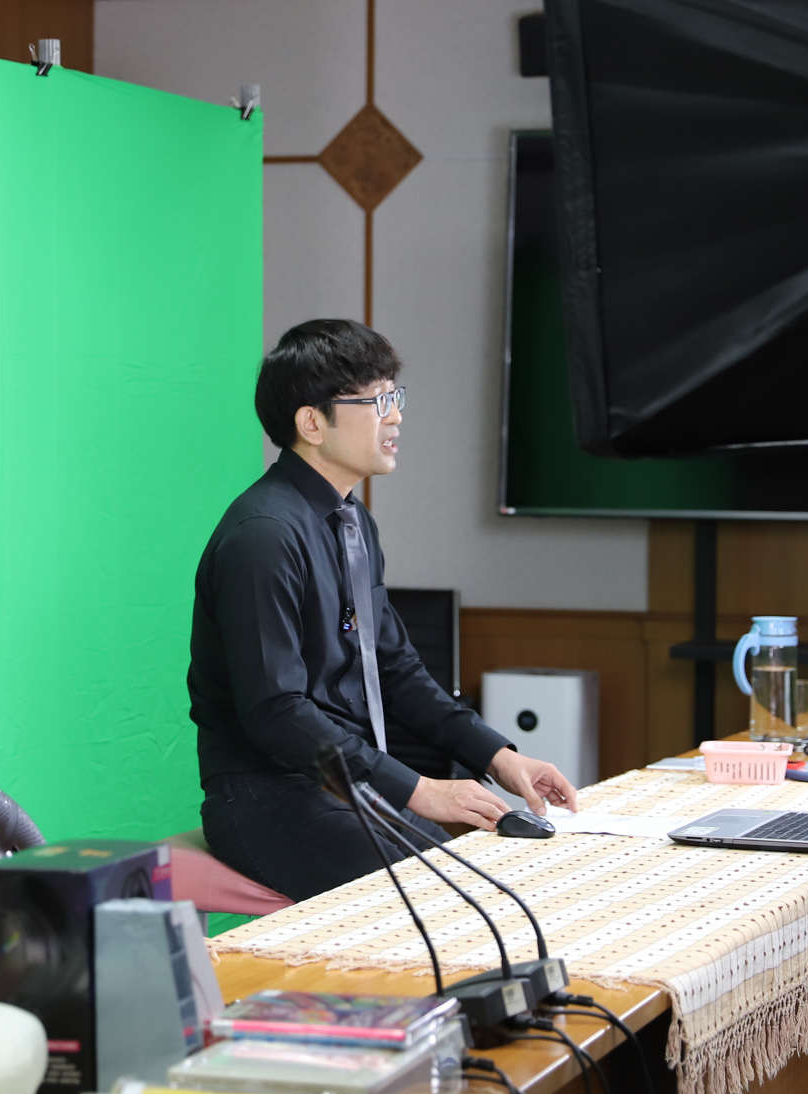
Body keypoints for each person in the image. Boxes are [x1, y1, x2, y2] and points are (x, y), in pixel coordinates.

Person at [189, 319, 577, 901]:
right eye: (376, 402)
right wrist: (419, 789)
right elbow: (275, 711)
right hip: (268, 797)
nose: (395, 417)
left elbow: (395, 670)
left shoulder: (354, 523)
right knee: (445, 898)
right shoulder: (263, 535)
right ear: (311, 423)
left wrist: (498, 757)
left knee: (488, 882)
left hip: (349, 787)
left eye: (396, 397)